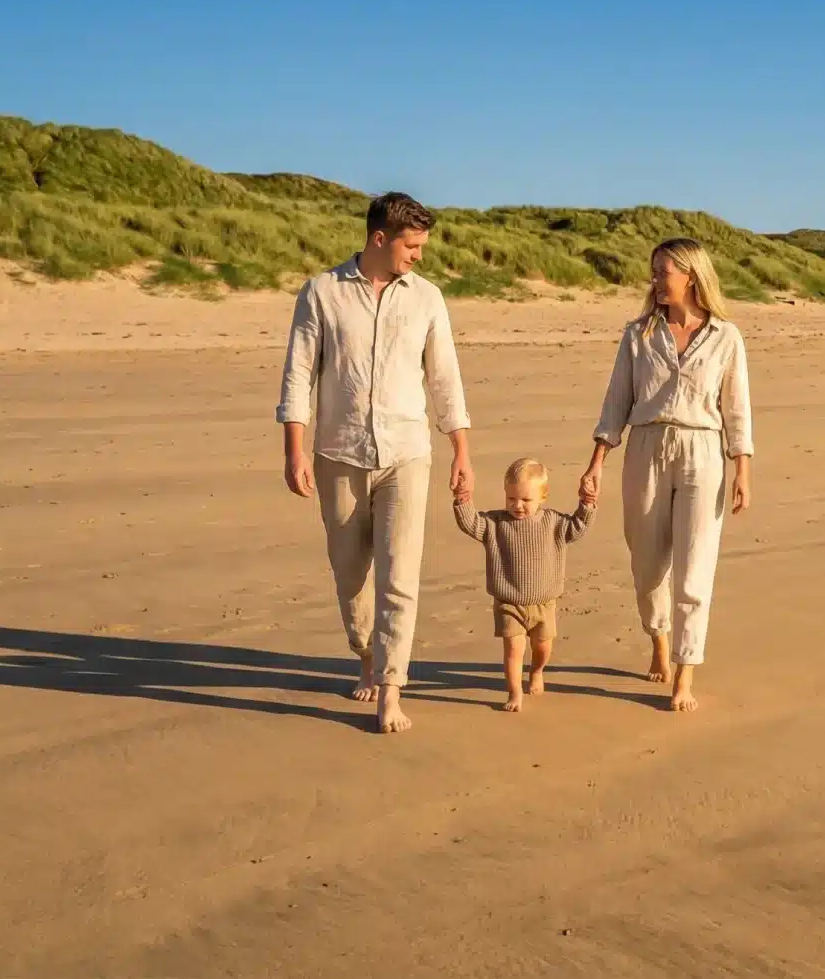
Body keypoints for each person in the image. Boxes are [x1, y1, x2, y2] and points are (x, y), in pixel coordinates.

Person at [276, 191, 473, 734]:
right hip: (338, 452)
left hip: (408, 453)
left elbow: (445, 379)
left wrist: (461, 450)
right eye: (411, 246)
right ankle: (364, 652)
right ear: (379, 239)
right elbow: (298, 375)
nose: (419, 255)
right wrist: (294, 450)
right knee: (350, 576)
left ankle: (391, 687)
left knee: (400, 575)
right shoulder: (321, 293)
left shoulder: (428, 298)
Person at [579, 237, 753, 712]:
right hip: (646, 449)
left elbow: (737, 409)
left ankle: (684, 673)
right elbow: (616, 403)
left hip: (703, 452)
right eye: (653, 272)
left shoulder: (726, 336)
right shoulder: (637, 335)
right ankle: (658, 636)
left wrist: (743, 469)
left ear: (691, 276)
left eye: (663, 272)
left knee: (695, 568)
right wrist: (596, 462)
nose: (655, 280)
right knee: (647, 564)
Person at [452, 458, 594, 712]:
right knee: (514, 650)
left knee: (542, 647)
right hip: (509, 604)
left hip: (544, 603)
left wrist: (587, 503)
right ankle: (514, 692)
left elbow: (578, 527)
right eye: (511, 499)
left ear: (543, 496)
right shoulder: (494, 524)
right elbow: (470, 523)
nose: (517, 506)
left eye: (526, 500)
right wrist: (463, 499)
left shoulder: (553, 523)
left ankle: (537, 671)